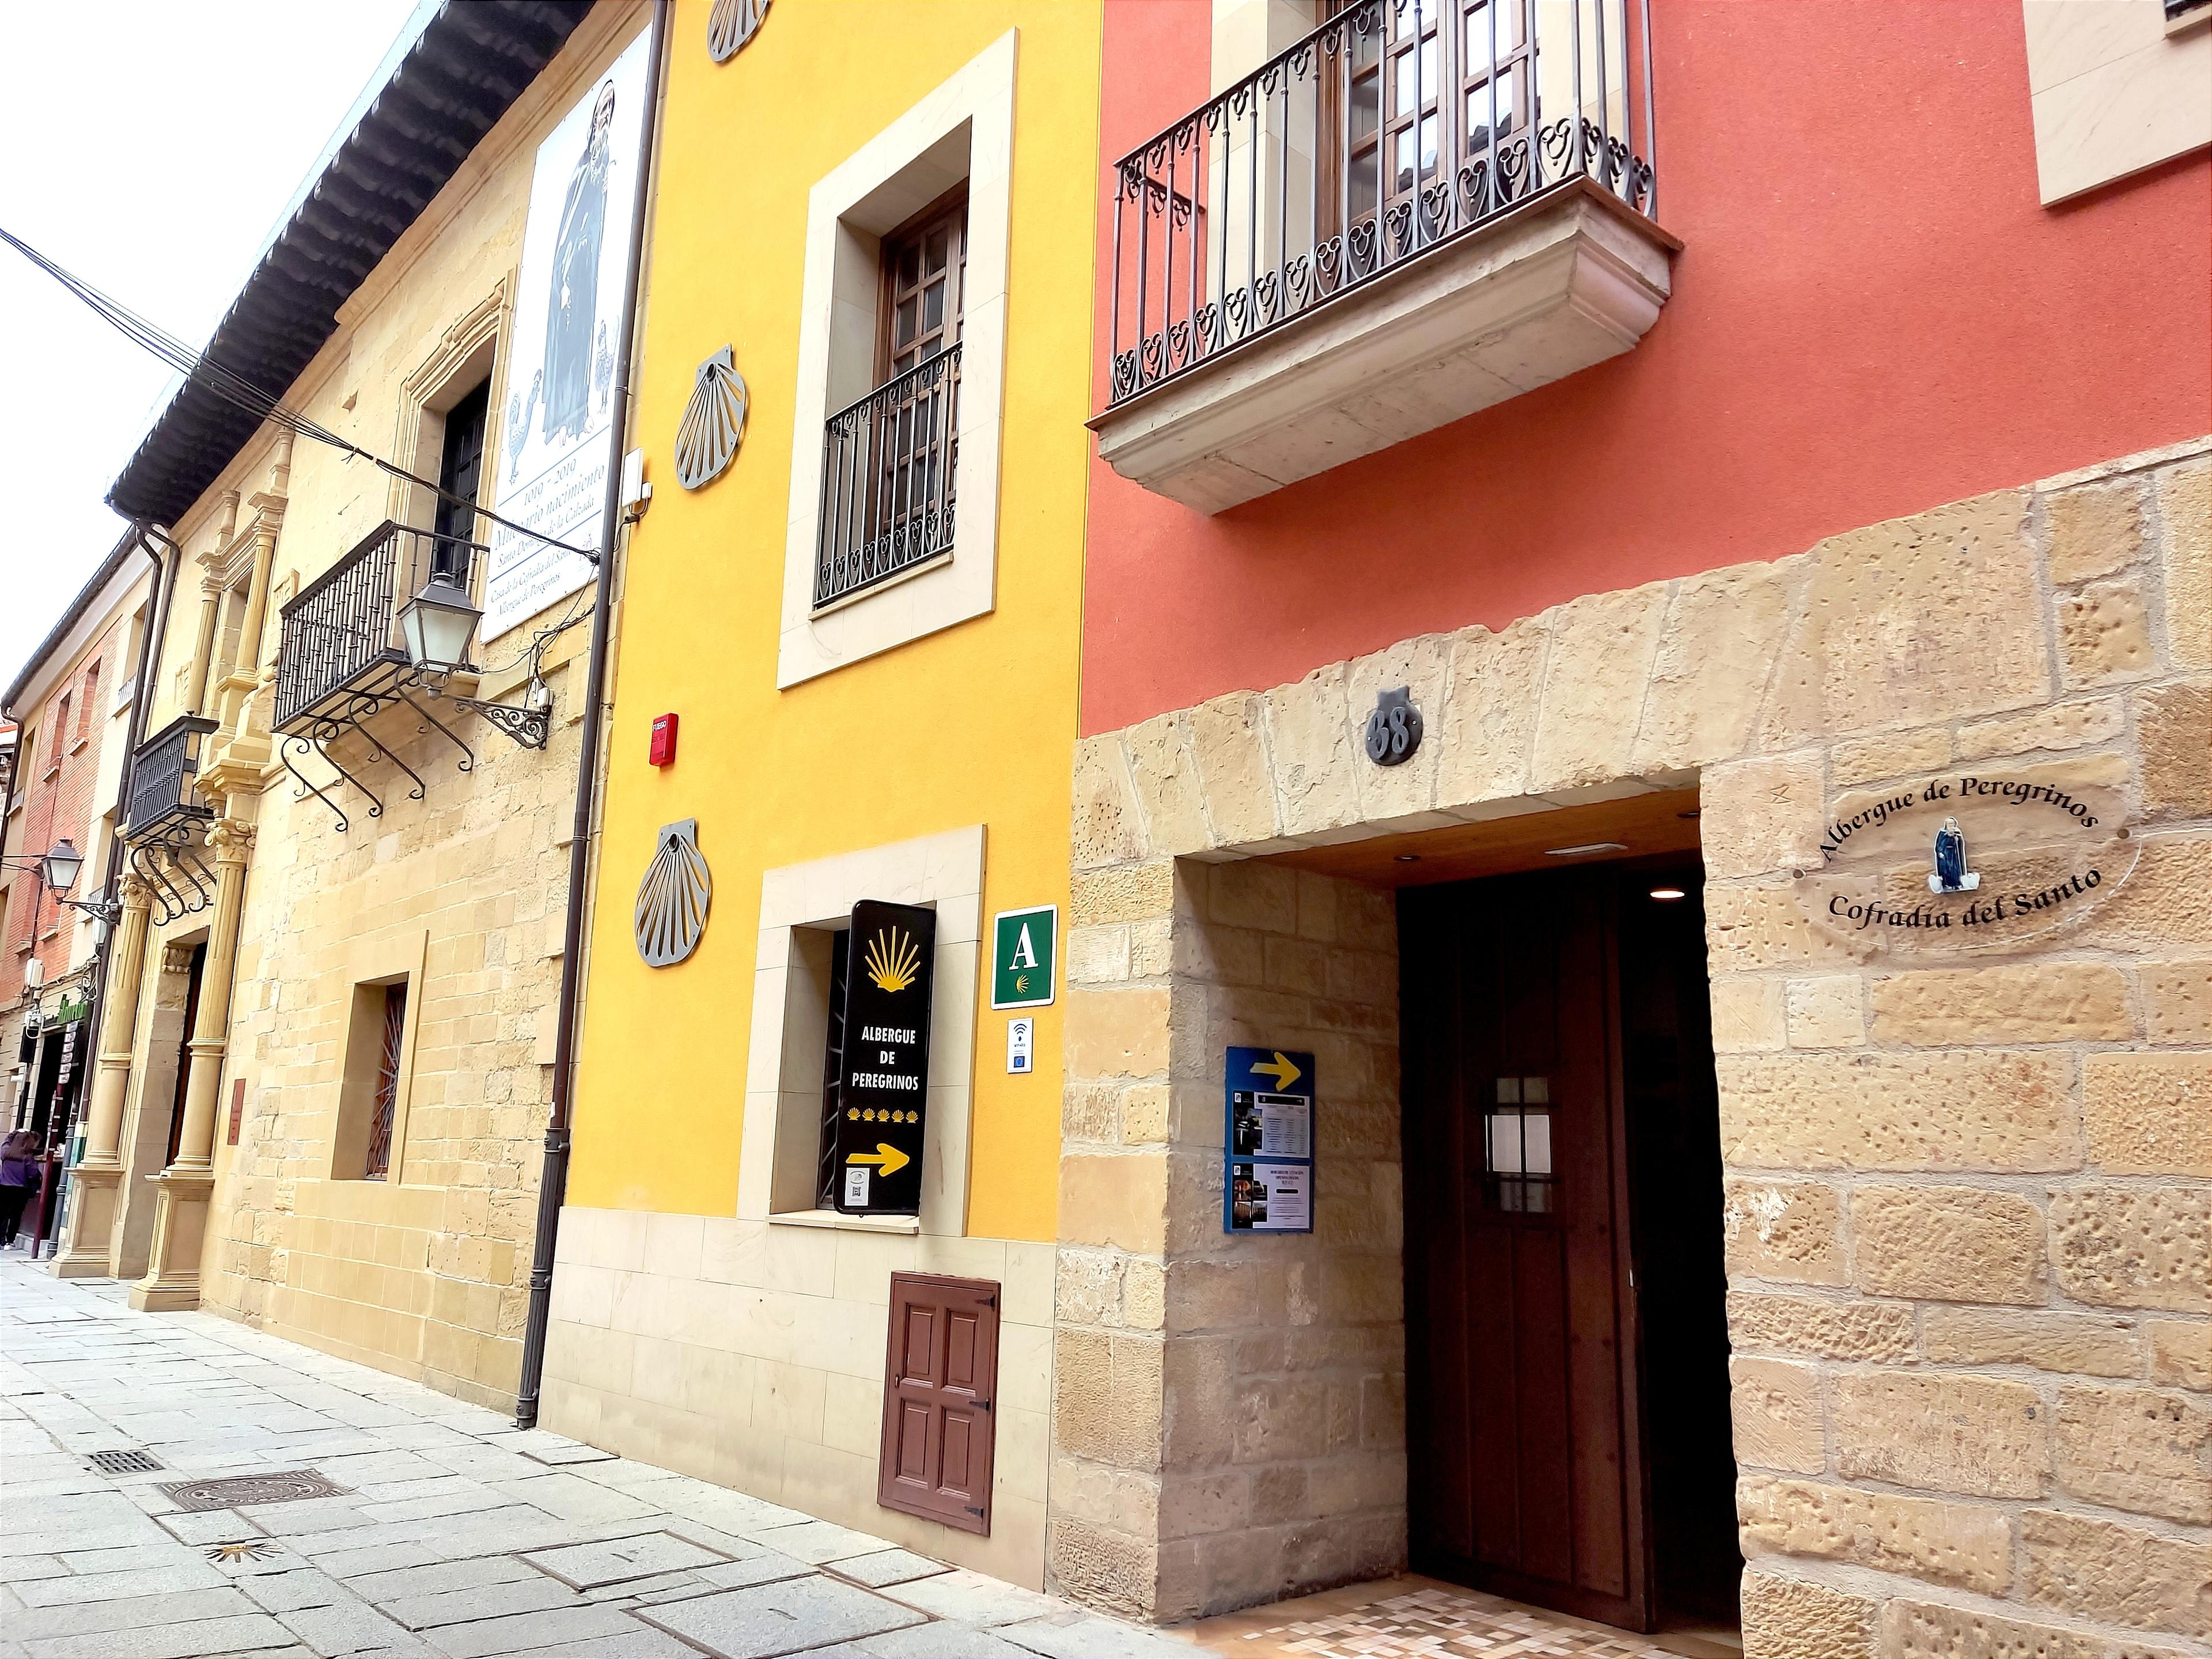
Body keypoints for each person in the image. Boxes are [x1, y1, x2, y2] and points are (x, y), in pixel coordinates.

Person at [0, 1128, 44, 1248]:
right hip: (20, 1189)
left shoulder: (5, 1152)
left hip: (3, 1186)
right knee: (16, 1215)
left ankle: (0, 1240)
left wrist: (16, 1132)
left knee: (2, 1214)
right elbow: (32, 1174)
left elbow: (7, 1140)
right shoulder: (27, 1157)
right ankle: (10, 1241)